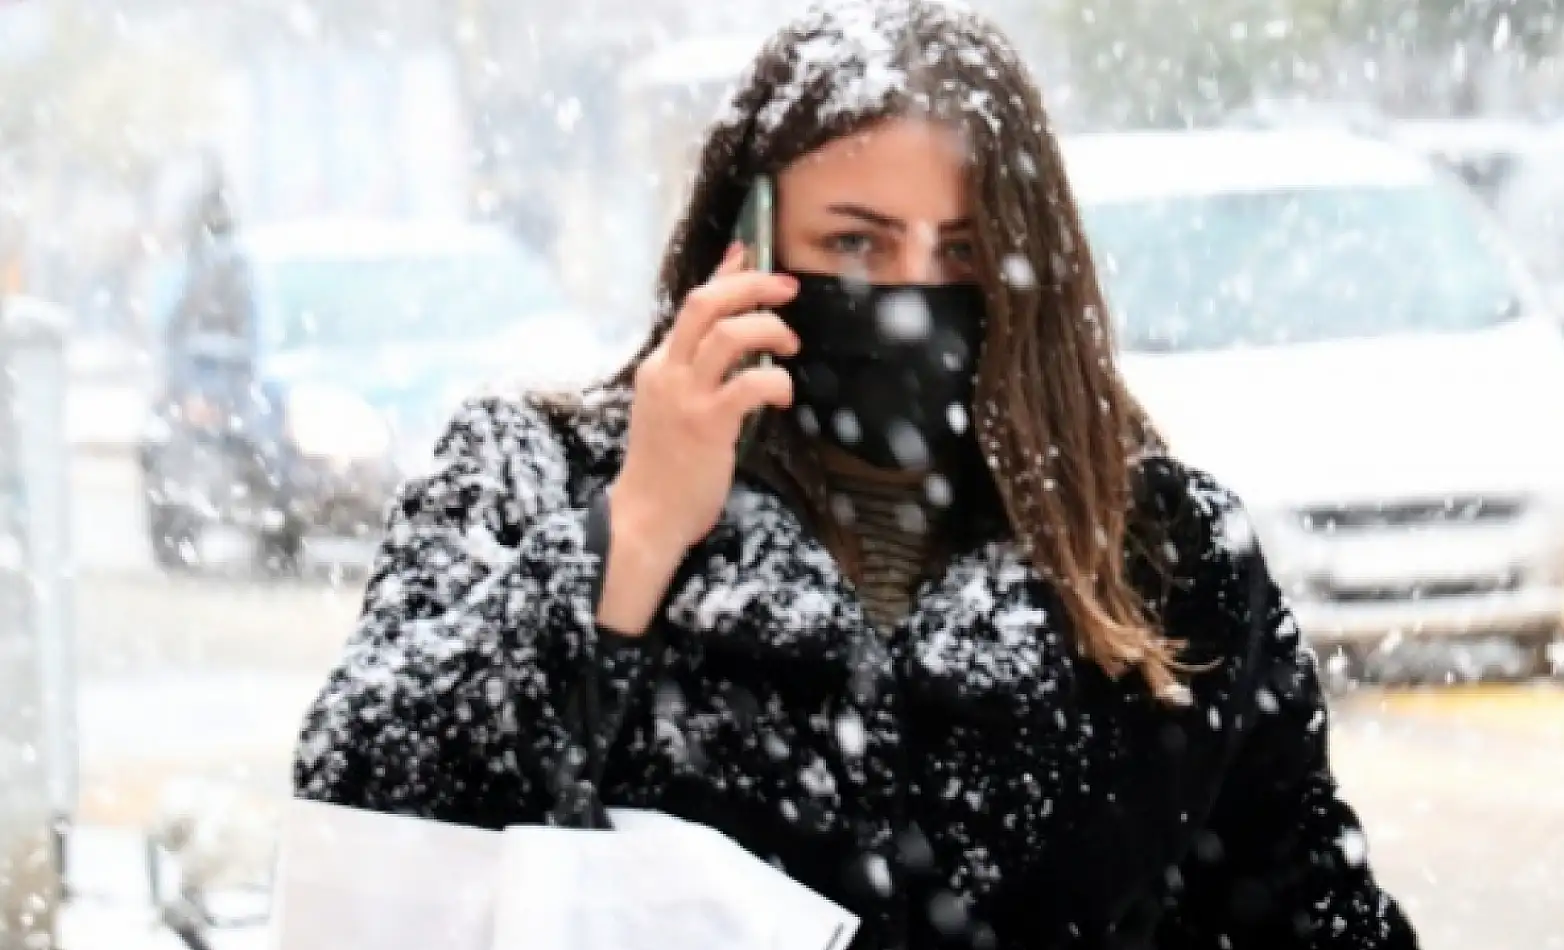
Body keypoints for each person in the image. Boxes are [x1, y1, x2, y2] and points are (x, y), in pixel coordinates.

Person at [293, 2, 1417, 948]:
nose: (911, 295)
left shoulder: (1159, 553)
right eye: (855, 245)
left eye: (964, 253)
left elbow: (1304, 903)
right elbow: (370, 806)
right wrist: (631, 531)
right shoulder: (531, 474)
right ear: (745, 243)